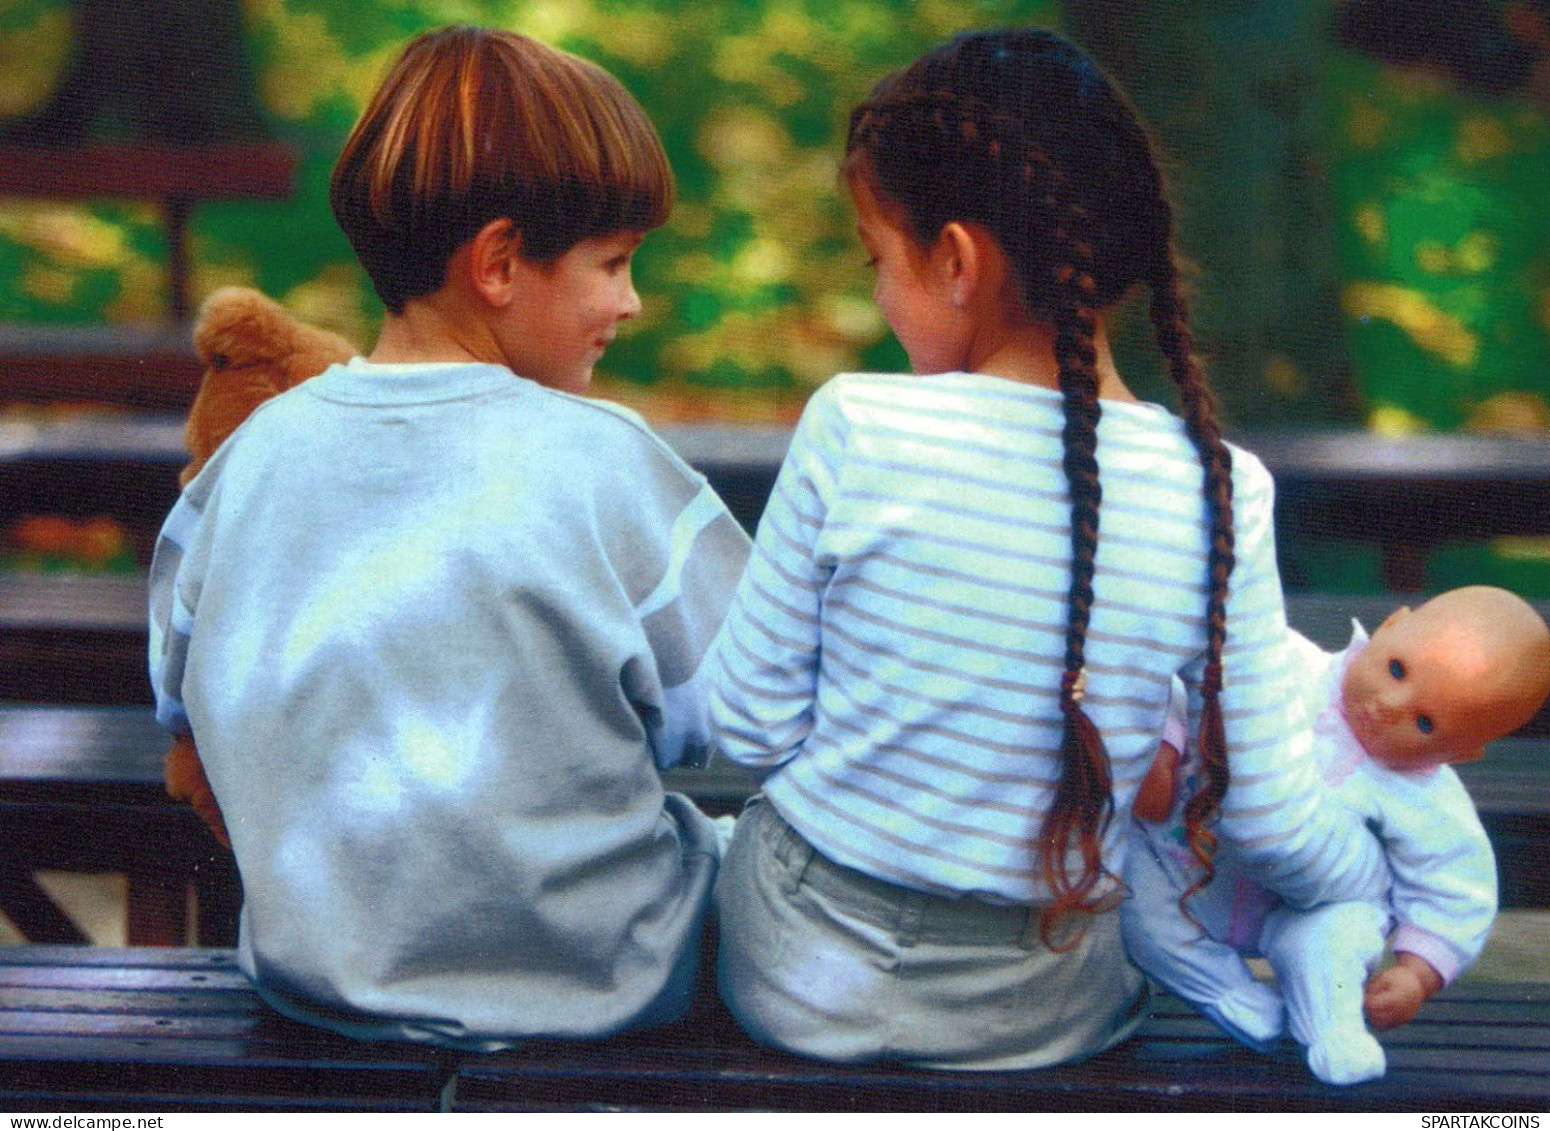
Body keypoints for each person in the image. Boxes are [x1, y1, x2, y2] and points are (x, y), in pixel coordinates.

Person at [708, 26, 1385, 1071]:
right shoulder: (1217, 491)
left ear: (955, 259)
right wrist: (1374, 895)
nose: (878, 294)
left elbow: (746, 728)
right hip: (1040, 1009)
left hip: (799, 974)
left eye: (875, 257)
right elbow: (1267, 811)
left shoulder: (856, 425)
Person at [147, 26, 750, 1050]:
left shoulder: (248, 463)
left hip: (320, 976)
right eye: (612, 263)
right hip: (605, 979)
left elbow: (178, 687)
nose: (630, 301)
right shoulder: (606, 461)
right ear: (501, 263)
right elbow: (752, 703)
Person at [1125, 586, 1550, 1084]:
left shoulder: (1425, 793)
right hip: (1181, 861)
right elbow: (1192, 682)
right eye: (1397, 669)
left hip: (1307, 908)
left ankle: (1332, 1026)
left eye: (1426, 722)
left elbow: (1457, 880)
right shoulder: (1282, 662)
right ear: (1390, 627)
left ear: (1458, 754)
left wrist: (1417, 973)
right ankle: (1226, 995)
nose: (1390, 706)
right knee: (1137, 906)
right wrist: (1166, 749)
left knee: (1339, 938)